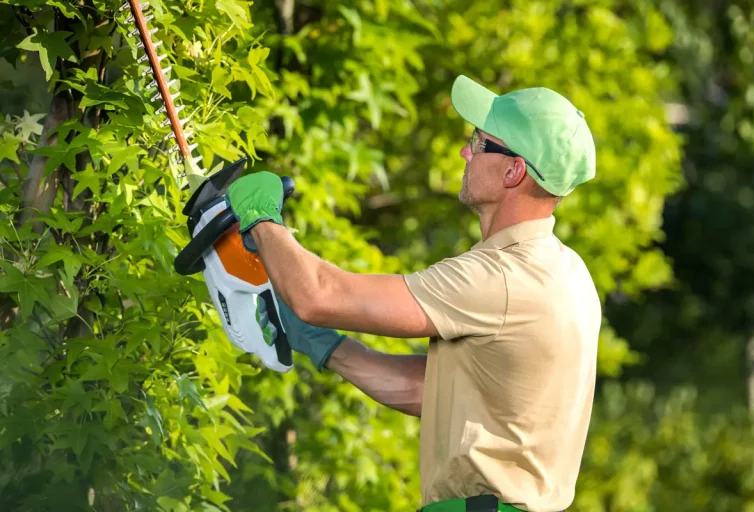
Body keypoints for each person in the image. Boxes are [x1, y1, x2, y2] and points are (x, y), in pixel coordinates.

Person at [225, 74, 601, 512]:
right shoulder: (568, 272)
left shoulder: (500, 279)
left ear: (514, 170)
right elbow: (431, 393)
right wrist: (323, 343)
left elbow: (318, 294)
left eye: (479, 143)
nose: (465, 151)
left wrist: (261, 219)